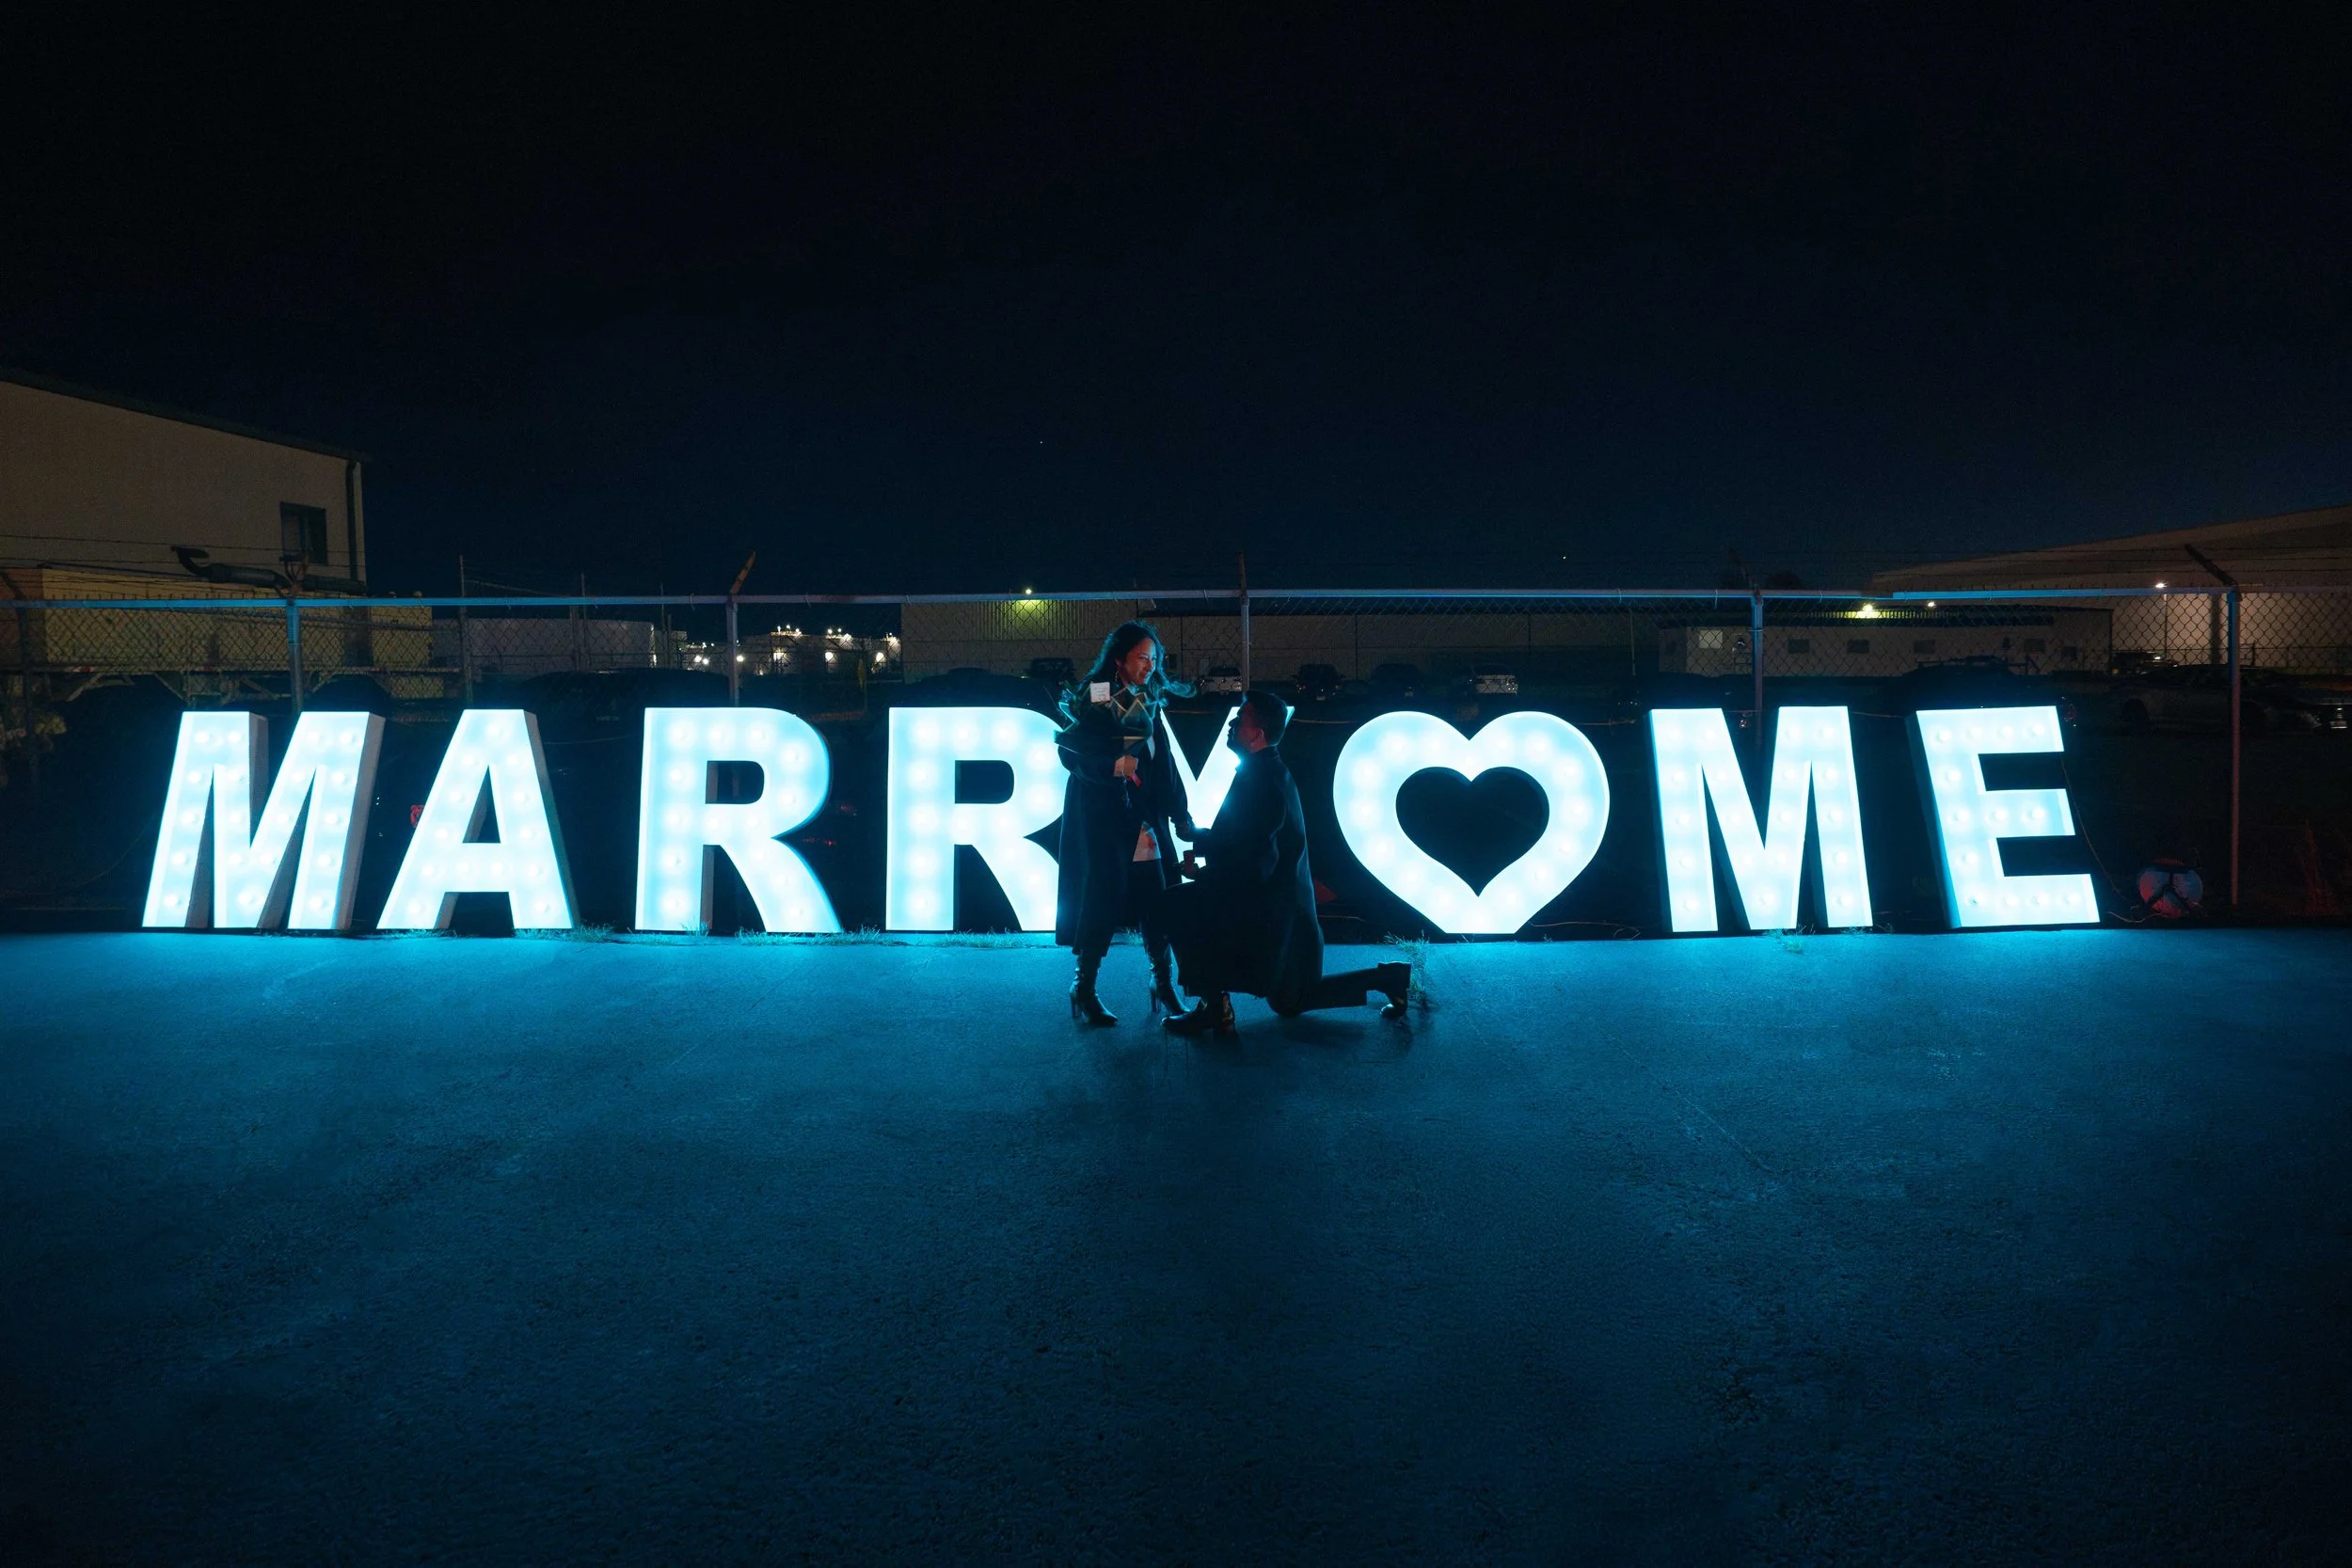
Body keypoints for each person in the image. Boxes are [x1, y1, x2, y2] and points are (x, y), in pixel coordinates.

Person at [1160, 689, 1410, 1036]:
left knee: (1177, 905)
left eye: (1240, 719)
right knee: (1290, 1002)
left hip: (1273, 920)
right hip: (1281, 916)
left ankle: (1213, 1008)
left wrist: (1202, 874)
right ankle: (1390, 977)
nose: (1232, 724)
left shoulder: (1263, 782)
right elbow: (1245, 840)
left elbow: (1255, 858)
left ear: (1257, 735)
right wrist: (1200, 840)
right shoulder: (1264, 772)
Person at [1054, 620, 1196, 1025]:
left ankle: (1163, 983)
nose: (1149, 665)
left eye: (1153, 658)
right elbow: (1073, 752)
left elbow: (1163, 766)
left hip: (1144, 818)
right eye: (1141, 657)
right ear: (1119, 659)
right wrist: (1112, 768)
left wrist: (1179, 813)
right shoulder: (1097, 697)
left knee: (1158, 897)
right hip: (1104, 818)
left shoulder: (1148, 701)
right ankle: (1084, 988)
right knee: (1101, 898)